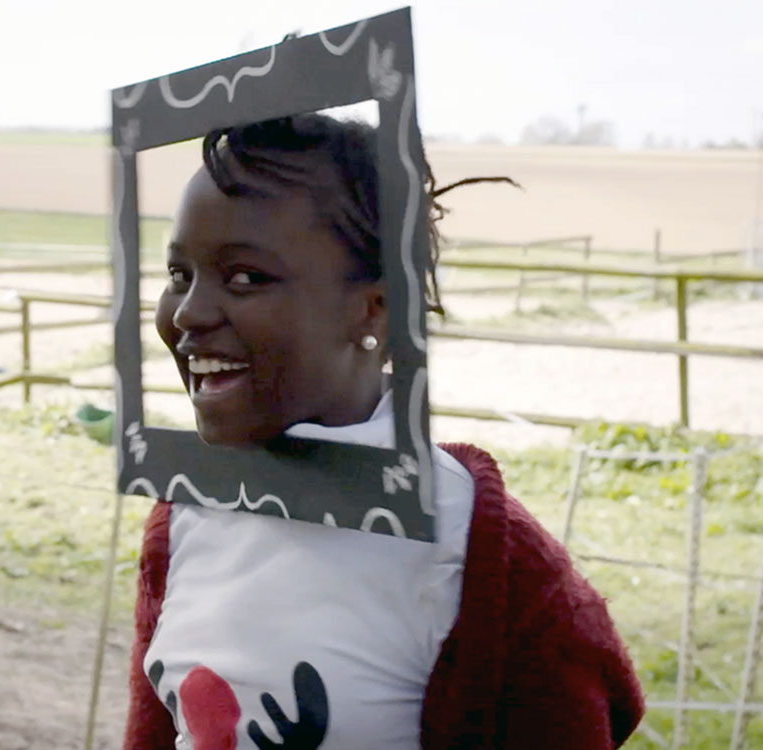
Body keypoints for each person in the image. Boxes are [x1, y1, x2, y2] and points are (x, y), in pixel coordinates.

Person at [123, 114, 644, 750]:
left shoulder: (484, 562)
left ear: (377, 308)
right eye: (180, 276)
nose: (189, 314)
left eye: (245, 278)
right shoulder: (183, 518)